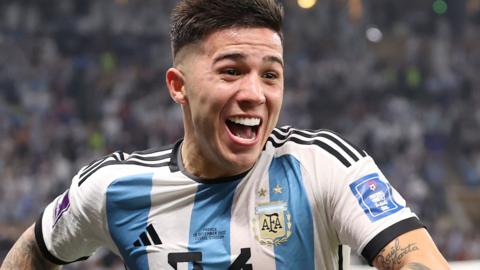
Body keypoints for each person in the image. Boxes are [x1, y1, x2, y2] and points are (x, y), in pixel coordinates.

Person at [1, 0, 449, 269]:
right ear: (179, 86)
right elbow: (35, 250)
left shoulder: (321, 166)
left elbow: (417, 258)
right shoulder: (114, 189)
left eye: (270, 75)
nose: (254, 93)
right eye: (231, 71)